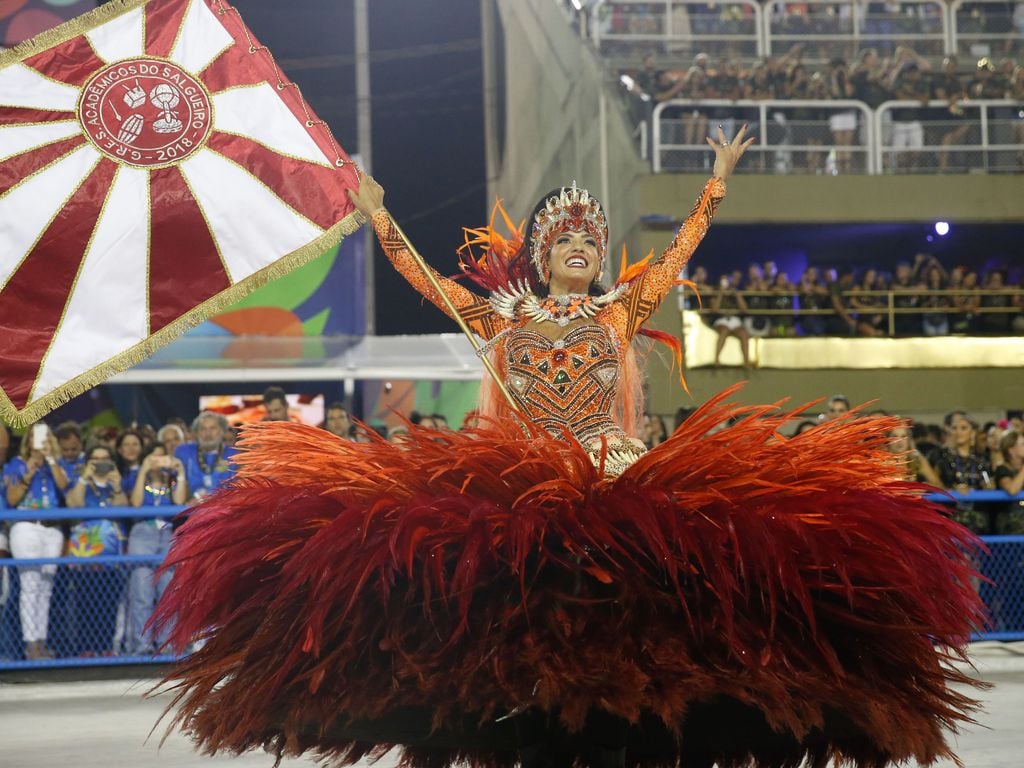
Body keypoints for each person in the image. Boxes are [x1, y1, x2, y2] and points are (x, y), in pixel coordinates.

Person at [154, 130, 982, 768]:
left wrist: (716, 186)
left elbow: (681, 253)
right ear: (545, 256)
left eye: (591, 240)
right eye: (566, 241)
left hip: (607, 467)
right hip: (520, 475)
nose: (582, 249)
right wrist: (376, 213)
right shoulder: (503, 317)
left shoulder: (620, 311)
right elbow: (421, 281)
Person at [3, 422, 69, 660]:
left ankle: (41, 642)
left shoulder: (57, 465)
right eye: (35, 438)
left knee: (46, 588)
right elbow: (11, 499)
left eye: (45, 437)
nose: (40, 442)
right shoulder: (16, 465)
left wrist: (50, 460)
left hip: (52, 529)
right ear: (28, 441)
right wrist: (30, 470)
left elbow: (65, 488)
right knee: (30, 586)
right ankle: (31, 644)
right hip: (26, 527)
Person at [125, 444, 187, 655]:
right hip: (143, 533)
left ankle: (166, 644)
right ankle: (140, 646)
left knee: (168, 592)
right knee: (141, 592)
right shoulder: (137, 477)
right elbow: (135, 503)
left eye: (163, 457)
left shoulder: (172, 480)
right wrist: (144, 469)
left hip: (167, 533)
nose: (159, 462)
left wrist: (181, 471)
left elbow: (179, 502)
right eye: (154, 457)